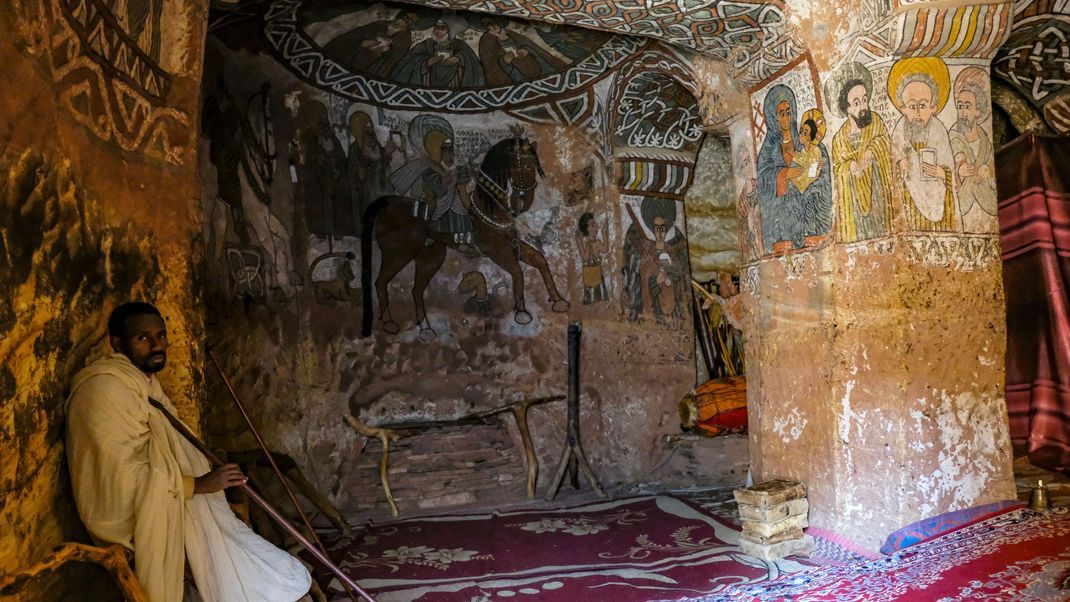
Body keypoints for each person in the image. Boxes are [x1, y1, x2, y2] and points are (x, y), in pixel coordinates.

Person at [66, 302, 312, 602]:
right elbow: (120, 482)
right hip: (129, 518)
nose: (157, 345)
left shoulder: (143, 384)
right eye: (143, 338)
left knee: (275, 576)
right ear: (117, 343)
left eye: (161, 335)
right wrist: (201, 484)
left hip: (170, 502)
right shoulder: (105, 390)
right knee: (261, 580)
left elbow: (168, 446)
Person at [888, 58, 960, 231]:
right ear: (903, 109)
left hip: (940, 204)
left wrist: (943, 173)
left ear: (933, 107)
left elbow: (951, 172)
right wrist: (899, 167)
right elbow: (889, 175)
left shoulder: (939, 131)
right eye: (912, 107)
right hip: (910, 203)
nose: (918, 112)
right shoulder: (899, 132)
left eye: (923, 105)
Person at [829, 64, 895, 242]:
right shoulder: (839, 139)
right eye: (856, 103)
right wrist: (849, 166)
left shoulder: (876, 123)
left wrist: (873, 150)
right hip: (854, 204)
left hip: (877, 194)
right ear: (847, 108)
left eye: (865, 100)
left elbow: (886, 144)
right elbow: (837, 170)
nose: (863, 106)